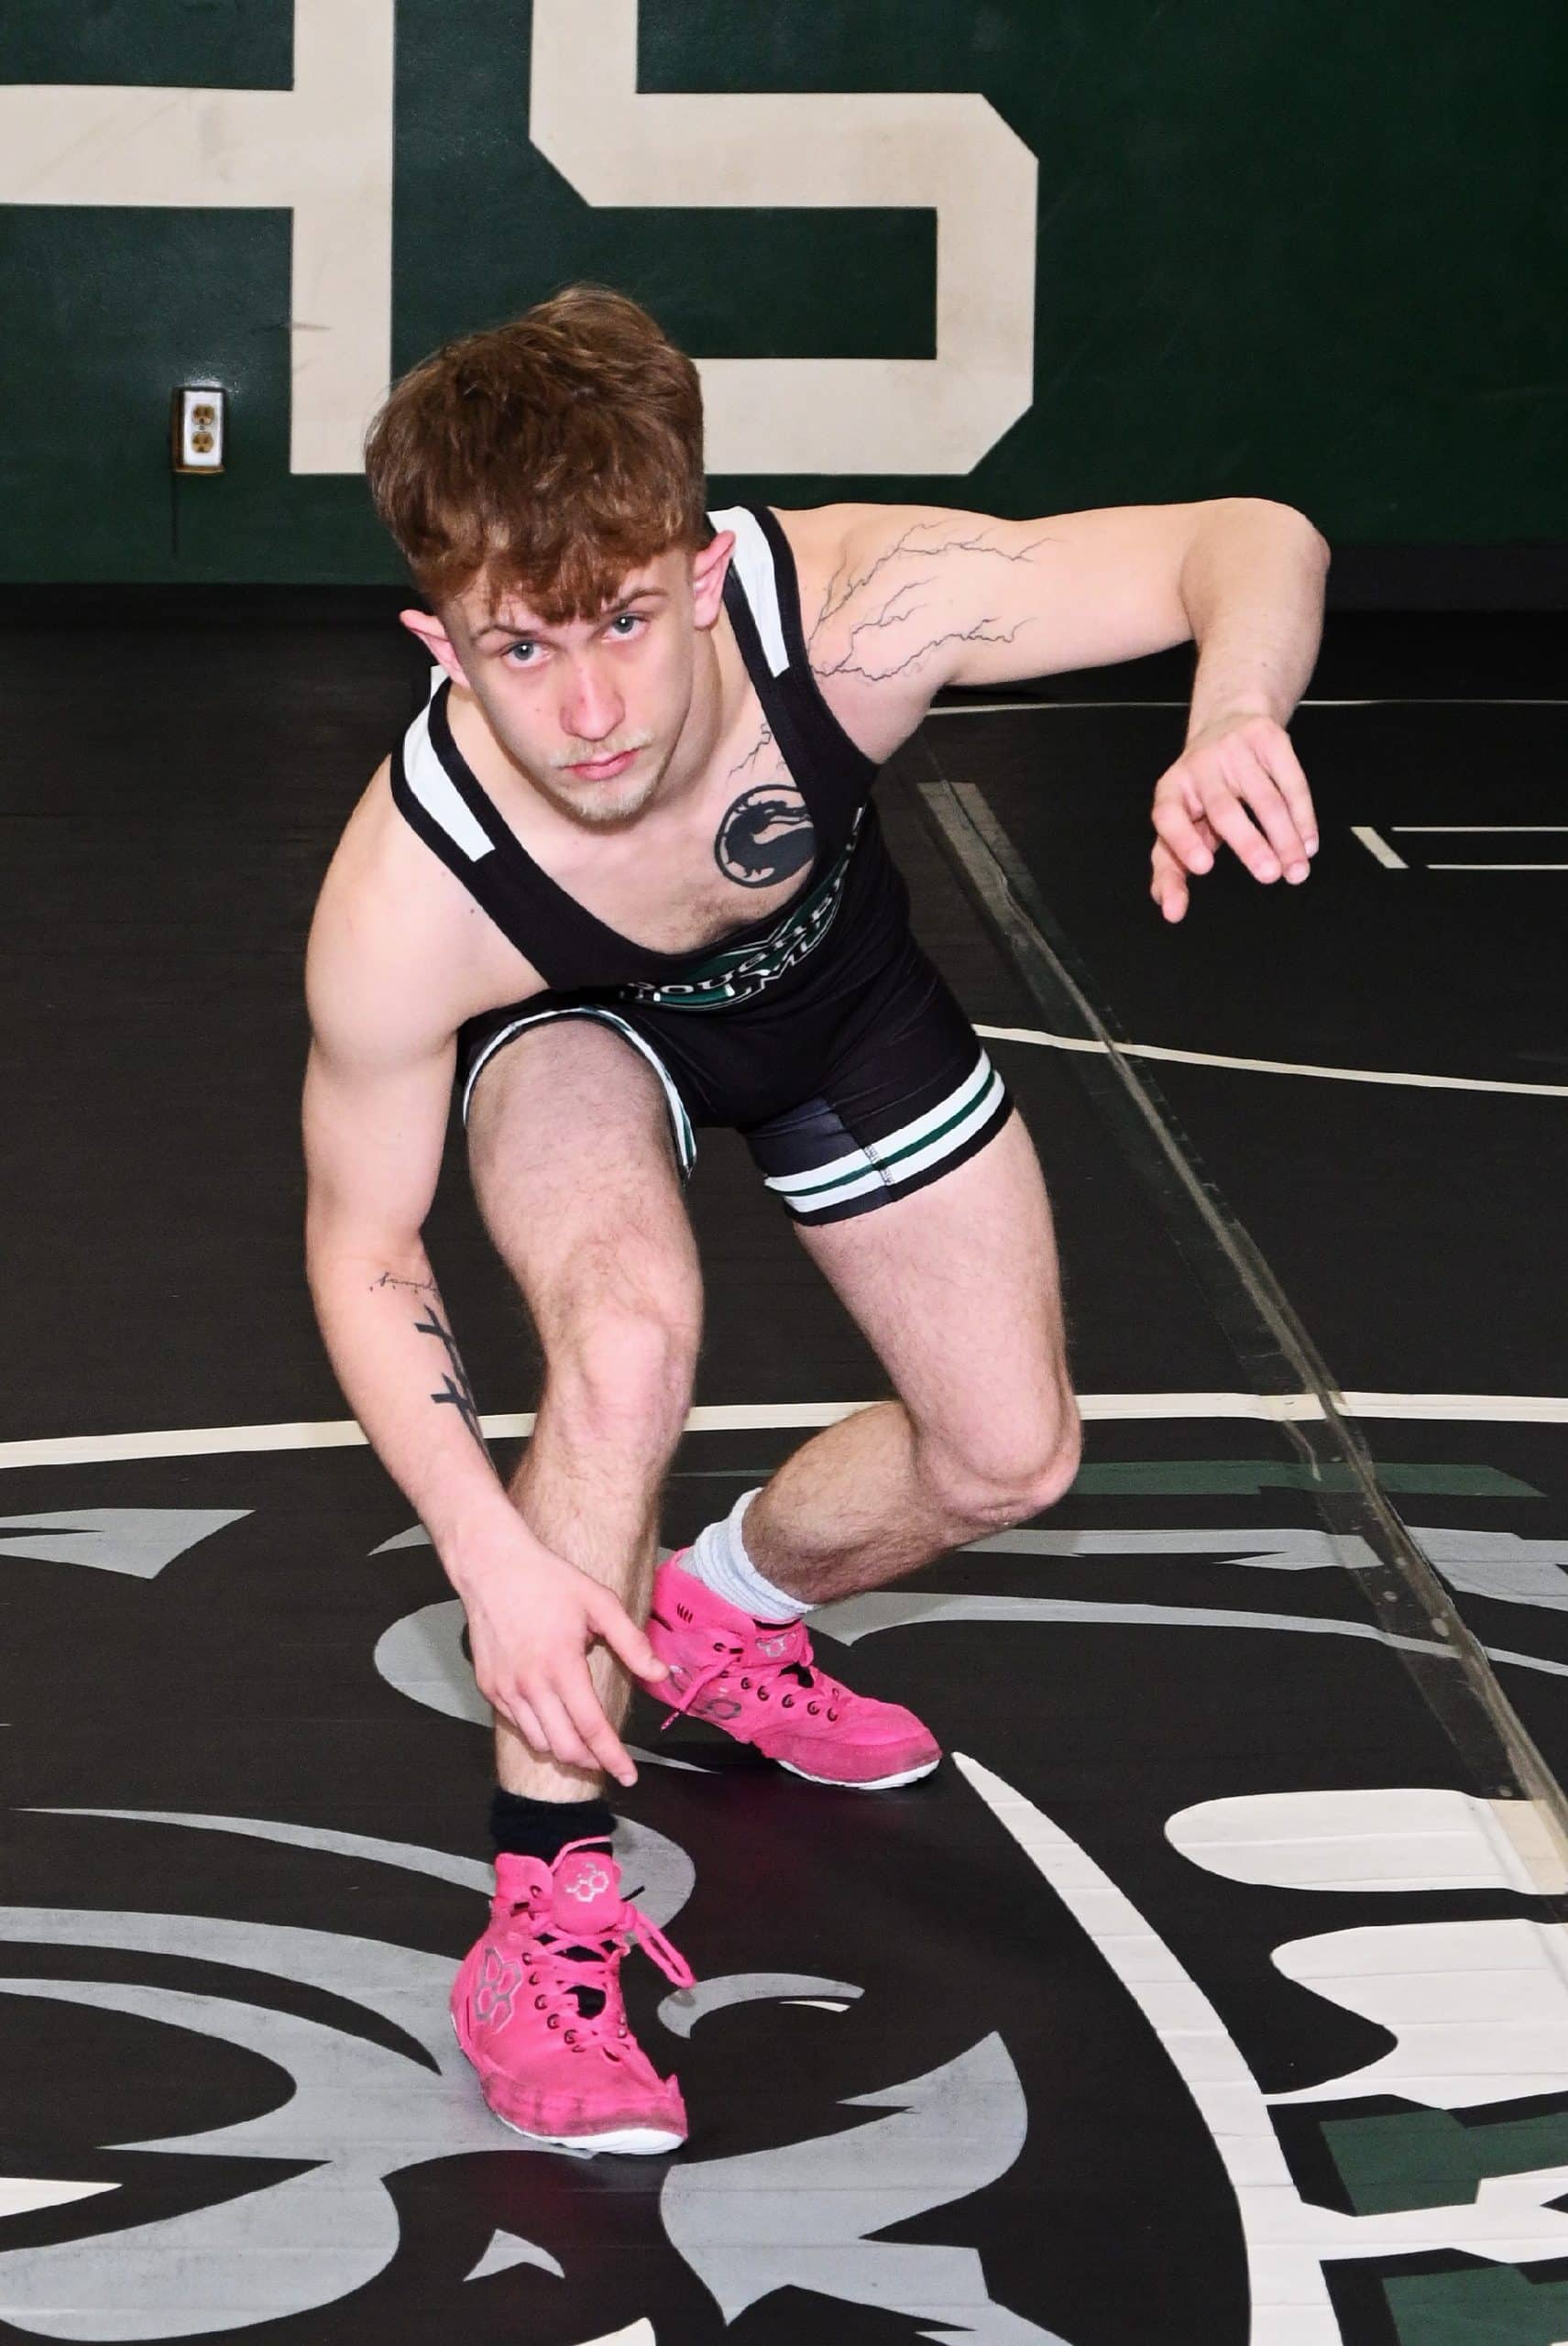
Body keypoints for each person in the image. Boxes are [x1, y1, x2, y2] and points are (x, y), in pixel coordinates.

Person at [302, 283, 1327, 2155]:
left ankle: (721, 1608)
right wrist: (490, 1553)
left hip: (833, 992)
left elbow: (1248, 539)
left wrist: (1234, 711)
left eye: (624, 621)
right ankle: (542, 1909)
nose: (588, 712)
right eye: (520, 648)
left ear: (703, 577)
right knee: (623, 1344)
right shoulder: (414, 891)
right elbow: (363, 1239)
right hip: (575, 1024)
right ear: (436, 642)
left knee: (1008, 1455)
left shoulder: (857, 609)